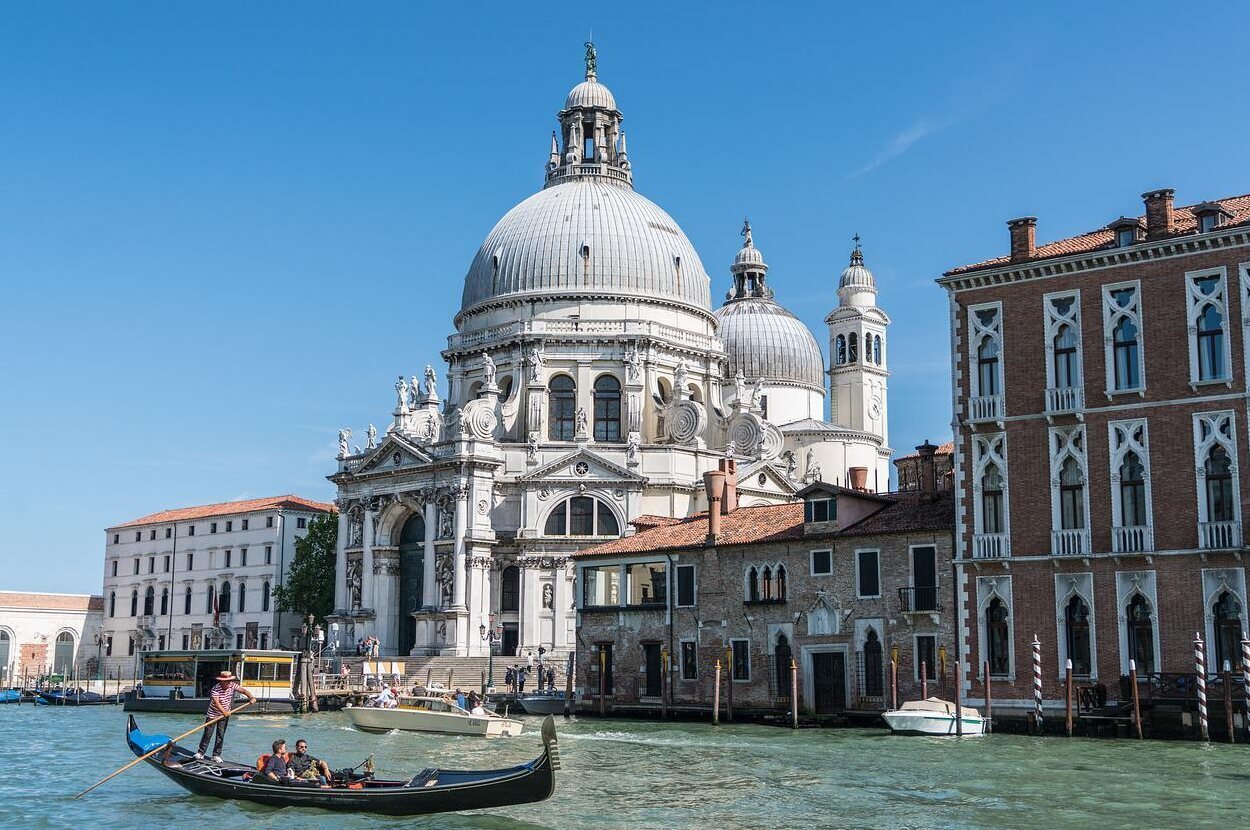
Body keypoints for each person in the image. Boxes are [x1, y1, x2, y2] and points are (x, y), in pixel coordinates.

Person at [195, 669, 255, 762]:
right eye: (226, 681)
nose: (228, 683)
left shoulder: (232, 685)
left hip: (224, 715)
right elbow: (217, 703)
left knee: (220, 735)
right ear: (222, 681)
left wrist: (251, 697)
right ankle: (201, 753)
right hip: (213, 714)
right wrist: (224, 712)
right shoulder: (215, 689)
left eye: (229, 681)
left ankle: (216, 755)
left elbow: (243, 690)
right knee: (207, 734)